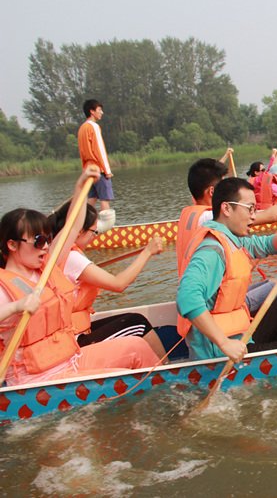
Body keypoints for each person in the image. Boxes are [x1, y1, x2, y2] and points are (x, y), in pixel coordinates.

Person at [0, 167, 159, 387]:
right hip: (38, 379)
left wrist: (82, 185)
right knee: (125, 379)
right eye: (38, 241)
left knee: (136, 346)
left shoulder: (47, 267)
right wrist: (16, 307)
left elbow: (73, 226)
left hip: (69, 360)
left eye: (47, 240)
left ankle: (166, 392)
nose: (45, 247)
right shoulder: (4, 287)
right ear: (12, 245)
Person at [176, 177, 277, 362]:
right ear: (226, 208)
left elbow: (266, 245)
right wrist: (224, 343)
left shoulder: (232, 238)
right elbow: (187, 298)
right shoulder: (212, 250)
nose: (253, 216)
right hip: (222, 353)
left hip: (240, 335)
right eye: (250, 209)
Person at [177, 158, 277, 306]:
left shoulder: (189, 215)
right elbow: (271, 216)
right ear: (212, 192)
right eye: (224, 186)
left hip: (217, 293)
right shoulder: (209, 218)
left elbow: (264, 245)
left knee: (272, 281)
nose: (251, 215)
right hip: (216, 302)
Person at [48, 202, 167, 357]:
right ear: (79, 231)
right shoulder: (72, 257)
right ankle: (166, 368)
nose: (94, 237)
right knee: (138, 324)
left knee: (132, 321)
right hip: (73, 340)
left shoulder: (55, 251)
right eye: (94, 232)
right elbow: (119, 284)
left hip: (73, 331)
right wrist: (147, 252)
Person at [77, 99, 116, 226]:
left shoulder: (82, 128)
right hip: (99, 169)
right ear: (92, 112)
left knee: (92, 199)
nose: (102, 112)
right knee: (105, 199)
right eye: (99, 110)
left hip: (88, 169)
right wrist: (107, 171)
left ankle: (84, 225)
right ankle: (106, 228)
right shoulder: (93, 127)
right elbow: (99, 150)